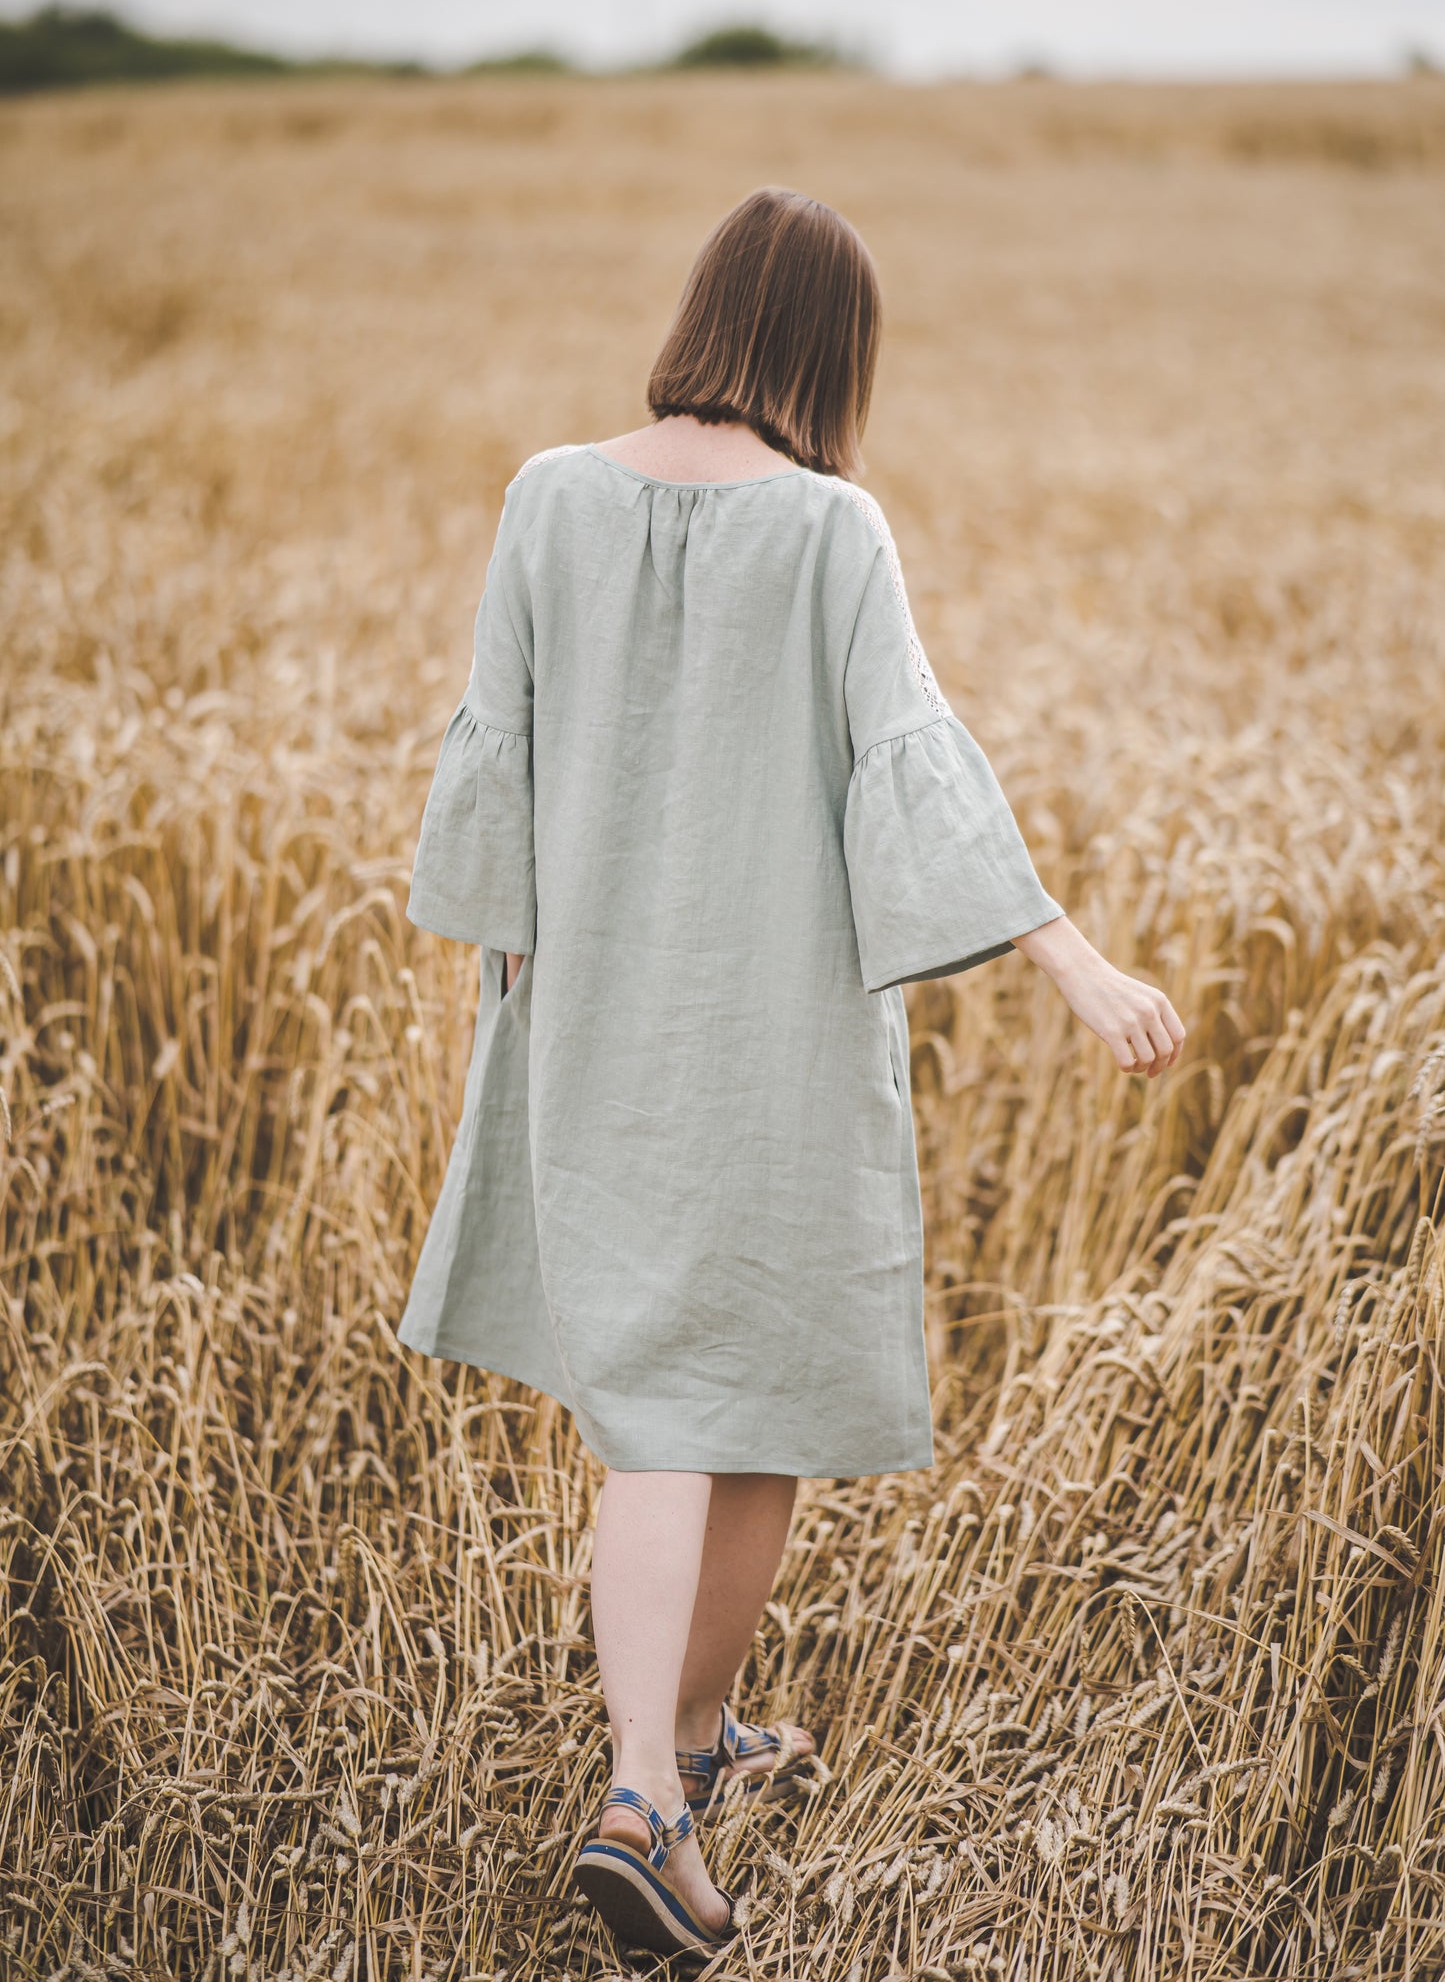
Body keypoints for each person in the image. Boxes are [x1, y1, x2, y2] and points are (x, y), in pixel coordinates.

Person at [397, 187, 1185, 1956]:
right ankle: (640, 1802)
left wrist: (516, 981)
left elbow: (493, 761)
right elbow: (910, 763)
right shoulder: (833, 531)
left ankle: (688, 1732)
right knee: (700, 1395)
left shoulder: (547, 494)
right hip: (774, 1035)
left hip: (590, 1017)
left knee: (727, 1396)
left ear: (702, 312)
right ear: (834, 350)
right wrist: (1074, 958)